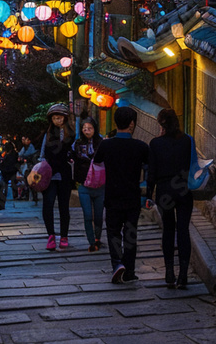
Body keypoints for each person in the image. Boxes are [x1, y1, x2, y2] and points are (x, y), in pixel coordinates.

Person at [92, 106, 150, 284]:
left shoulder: (106, 144)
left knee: (113, 232)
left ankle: (117, 264)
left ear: (116, 122)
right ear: (132, 124)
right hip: (133, 197)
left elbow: (97, 161)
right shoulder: (141, 147)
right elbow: (149, 169)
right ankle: (130, 270)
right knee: (130, 233)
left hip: (112, 197)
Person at [146, 108, 194, 289]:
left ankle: (169, 273)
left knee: (168, 229)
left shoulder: (155, 143)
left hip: (165, 190)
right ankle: (183, 275)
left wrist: (149, 194)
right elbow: (192, 164)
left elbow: (151, 172)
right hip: (183, 189)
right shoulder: (187, 140)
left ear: (161, 124)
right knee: (183, 230)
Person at [39, 103, 75, 250]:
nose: (57, 120)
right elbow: (42, 154)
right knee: (48, 204)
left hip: (65, 175)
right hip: (50, 175)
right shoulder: (47, 135)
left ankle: (64, 236)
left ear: (64, 118)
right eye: (54, 118)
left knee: (63, 206)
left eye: (59, 118)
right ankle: (51, 236)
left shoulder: (71, 134)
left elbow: (74, 151)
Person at [73, 117, 104, 252]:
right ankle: (91, 242)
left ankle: (98, 237)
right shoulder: (77, 144)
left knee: (98, 215)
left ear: (94, 129)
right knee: (87, 215)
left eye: (89, 128)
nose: (87, 131)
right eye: (84, 129)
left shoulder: (102, 143)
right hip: (84, 184)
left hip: (100, 185)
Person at [17, 135, 39, 203]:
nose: (23, 141)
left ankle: (33, 196)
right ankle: (28, 195)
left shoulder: (31, 149)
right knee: (27, 182)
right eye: (22, 140)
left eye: (24, 139)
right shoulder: (24, 148)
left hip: (31, 167)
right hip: (27, 168)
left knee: (31, 182)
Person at [0, 141, 19, 208]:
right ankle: (15, 195)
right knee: (12, 184)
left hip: (7, 172)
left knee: (5, 186)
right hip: (12, 171)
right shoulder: (14, 154)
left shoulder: (9, 155)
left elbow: (5, 164)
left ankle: (5, 199)